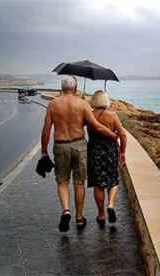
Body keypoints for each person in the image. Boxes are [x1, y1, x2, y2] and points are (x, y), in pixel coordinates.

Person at [40, 76, 118, 232]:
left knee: (62, 181)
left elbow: (46, 130)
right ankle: (79, 217)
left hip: (61, 145)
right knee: (78, 183)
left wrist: (44, 150)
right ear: (75, 89)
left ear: (62, 88)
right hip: (79, 145)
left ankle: (66, 210)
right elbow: (96, 126)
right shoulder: (82, 104)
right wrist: (113, 136)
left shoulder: (53, 105)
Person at [87, 90, 127, 228]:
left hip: (94, 151)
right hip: (110, 151)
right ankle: (110, 205)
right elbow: (123, 134)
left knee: (98, 184)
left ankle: (101, 214)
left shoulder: (89, 115)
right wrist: (122, 151)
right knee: (113, 179)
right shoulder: (112, 115)